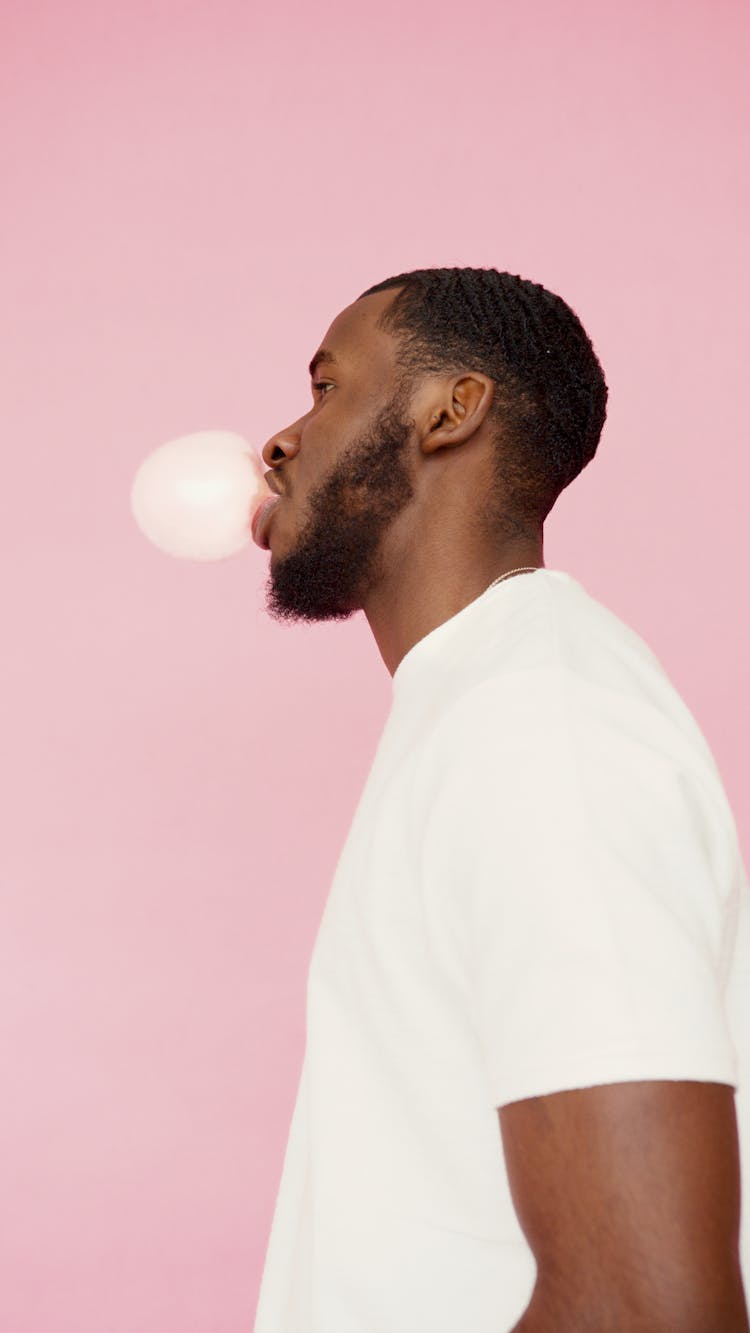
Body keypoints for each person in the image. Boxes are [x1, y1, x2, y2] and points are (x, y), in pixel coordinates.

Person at [252, 267, 750, 1332]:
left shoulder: (540, 724)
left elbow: (648, 1304)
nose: (281, 441)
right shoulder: (477, 707)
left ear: (451, 409)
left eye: (328, 386)